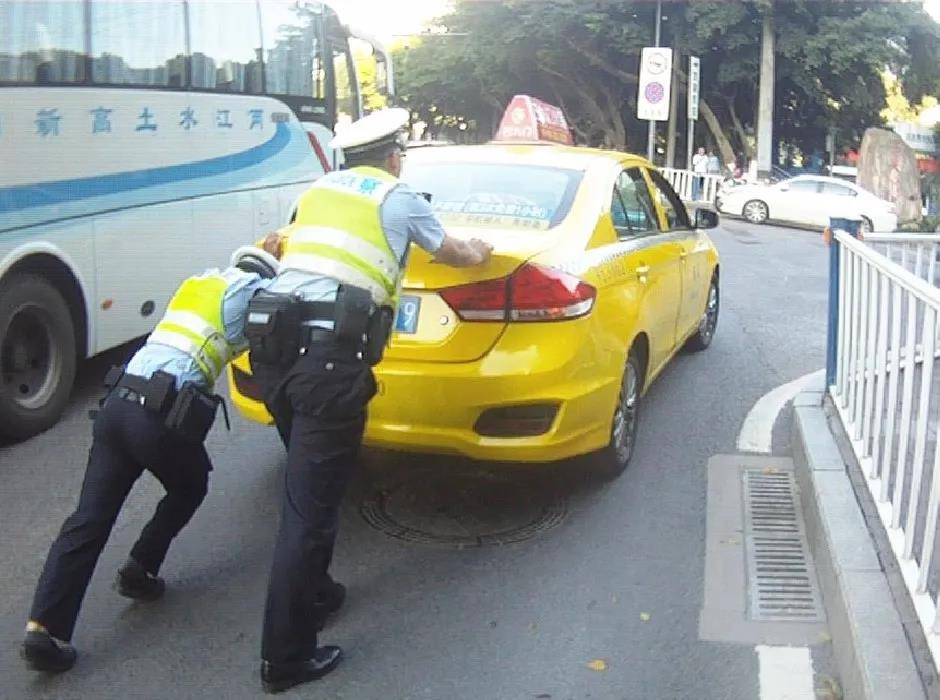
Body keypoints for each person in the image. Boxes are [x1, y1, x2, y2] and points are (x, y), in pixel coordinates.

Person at [249, 107, 493, 694]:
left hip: (273, 351)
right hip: (330, 360)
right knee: (308, 510)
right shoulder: (399, 196)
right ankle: (284, 658)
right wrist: (483, 248)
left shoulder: (316, 192)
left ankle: (320, 591)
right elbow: (454, 252)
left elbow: (286, 247)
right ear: (391, 158)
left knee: (307, 487)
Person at [21, 242, 282, 673]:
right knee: (191, 484)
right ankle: (140, 569)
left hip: (117, 405)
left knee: (88, 519)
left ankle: (43, 628)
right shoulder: (254, 292)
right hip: (158, 415)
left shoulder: (198, 284)